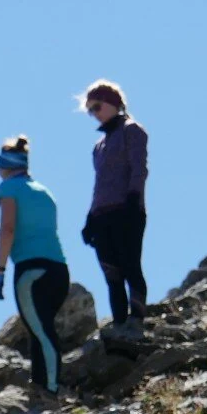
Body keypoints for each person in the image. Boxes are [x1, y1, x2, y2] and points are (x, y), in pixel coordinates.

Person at [0, 137, 70, 397]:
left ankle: (50, 389)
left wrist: (0, 270)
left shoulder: (9, 189)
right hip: (59, 270)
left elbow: (8, 228)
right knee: (40, 328)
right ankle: (40, 384)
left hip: (31, 271)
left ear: (5, 166)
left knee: (42, 331)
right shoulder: (43, 191)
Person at [79, 80, 150, 336]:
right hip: (102, 215)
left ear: (113, 103)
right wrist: (90, 219)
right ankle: (119, 323)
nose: (94, 114)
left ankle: (137, 319)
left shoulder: (133, 131)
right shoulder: (98, 147)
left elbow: (139, 169)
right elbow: (99, 184)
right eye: (90, 110)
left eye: (97, 107)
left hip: (127, 209)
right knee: (111, 272)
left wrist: (133, 200)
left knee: (130, 265)